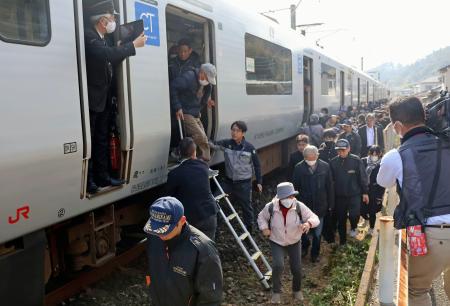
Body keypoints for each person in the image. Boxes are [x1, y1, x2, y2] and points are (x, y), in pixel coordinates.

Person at [377, 96, 450, 306]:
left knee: (416, 290)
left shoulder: (397, 155)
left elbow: (384, 181)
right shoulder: (446, 142)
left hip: (433, 234)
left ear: (398, 126)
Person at [85, 0, 146, 193]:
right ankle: (89, 180)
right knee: (92, 139)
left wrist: (125, 47)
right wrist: (133, 46)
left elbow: (110, 56)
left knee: (101, 138)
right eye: (112, 18)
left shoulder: (101, 38)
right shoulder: (89, 36)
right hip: (94, 99)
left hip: (102, 99)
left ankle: (103, 178)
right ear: (103, 20)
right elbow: (105, 55)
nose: (114, 22)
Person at [144, 196, 223, 306]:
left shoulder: (203, 249)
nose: (160, 234)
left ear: (182, 221)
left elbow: (211, 299)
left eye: (165, 229)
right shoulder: (154, 236)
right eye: (155, 228)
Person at [257, 182, 320, 304]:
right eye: (288, 197)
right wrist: (264, 228)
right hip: (276, 241)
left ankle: (297, 290)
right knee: (278, 265)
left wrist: (308, 223)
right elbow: (261, 217)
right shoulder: (271, 207)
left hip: (294, 241)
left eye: (292, 196)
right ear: (281, 198)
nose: (291, 199)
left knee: (296, 268)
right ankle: (276, 292)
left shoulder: (299, 206)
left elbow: (315, 218)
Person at [212, 121, 262, 232]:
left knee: (246, 208)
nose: (234, 133)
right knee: (214, 199)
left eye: (237, 131)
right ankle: (216, 225)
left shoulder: (249, 148)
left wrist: (259, 181)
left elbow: (257, 165)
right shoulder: (226, 143)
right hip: (228, 182)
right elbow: (212, 144)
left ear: (243, 133)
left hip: (244, 184)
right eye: (233, 130)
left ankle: (249, 230)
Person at [166, 137, 218, 240]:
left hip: (192, 219)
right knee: (208, 249)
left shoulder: (174, 174)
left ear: (179, 153)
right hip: (210, 214)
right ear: (194, 153)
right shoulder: (203, 167)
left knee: (191, 250)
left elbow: (167, 196)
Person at [292, 146, 334, 262]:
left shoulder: (325, 166)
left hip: (321, 205)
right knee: (303, 230)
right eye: (308, 158)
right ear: (304, 157)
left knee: (317, 233)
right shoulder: (299, 168)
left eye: (313, 158)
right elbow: (295, 188)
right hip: (304, 206)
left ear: (317, 155)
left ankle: (315, 254)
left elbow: (329, 186)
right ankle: (305, 246)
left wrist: (331, 203)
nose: (310, 161)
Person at [170, 63, 217, 161]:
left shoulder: (208, 85)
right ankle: (179, 151)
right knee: (200, 136)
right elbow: (173, 87)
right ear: (202, 73)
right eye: (207, 78)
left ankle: (204, 161)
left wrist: (204, 103)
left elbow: (203, 98)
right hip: (185, 112)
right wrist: (178, 107)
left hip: (195, 112)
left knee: (204, 139)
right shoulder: (189, 77)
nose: (208, 81)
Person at [330, 139, 369, 244]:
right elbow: (330, 180)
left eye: (343, 150)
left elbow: (363, 177)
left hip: (354, 194)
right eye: (338, 150)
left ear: (348, 149)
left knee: (354, 215)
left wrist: (365, 192)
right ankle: (342, 241)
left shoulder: (356, 160)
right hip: (339, 196)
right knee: (341, 218)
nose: (341, 152)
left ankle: (353, 227)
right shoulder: (333, 162)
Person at [360, 146, 385, 235]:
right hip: (364, 189)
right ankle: (365, 219)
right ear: (369, 153)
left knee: (372, 210)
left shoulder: (382, 164)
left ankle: (371, 227)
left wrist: (380, 196)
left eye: (376, 153)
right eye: (372, 153)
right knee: (362, 208)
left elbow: (383, 181)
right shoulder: (363, 161)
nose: (374, 155)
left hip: (375, 190)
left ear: (379, 154)